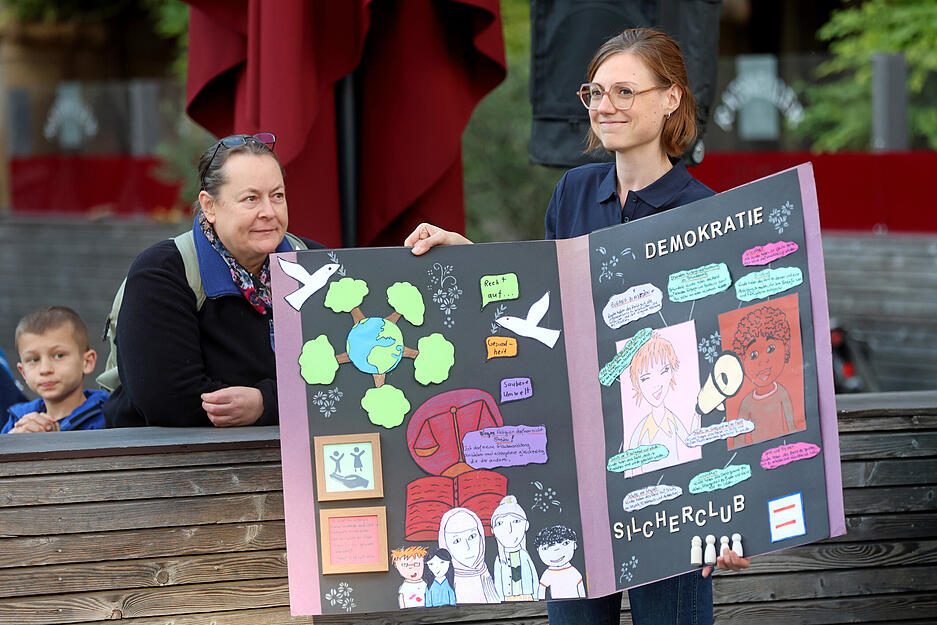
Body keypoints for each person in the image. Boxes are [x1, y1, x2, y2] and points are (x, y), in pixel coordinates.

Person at [406, 26, 749, 625]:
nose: (603, 106)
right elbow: (546, 315)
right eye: (594, 92)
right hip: (574, 466)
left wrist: (725, 510)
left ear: (671, 99)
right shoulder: (574, 190)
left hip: (666, 475)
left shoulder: (706, 214)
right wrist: (469, 261)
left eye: (623, 91)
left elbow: (722, 366)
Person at [104, 133, 323, 428]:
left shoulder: (318, 264)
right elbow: (169, 401)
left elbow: (357, 376)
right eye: (251, 199)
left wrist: (265, 402)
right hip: (171, 466)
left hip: (298, 459)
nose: (269, 212)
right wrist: (291, 399)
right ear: (209, 206)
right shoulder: (162, 273)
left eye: (277, 196)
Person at [2, 306, 107, 434]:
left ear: (87, 362)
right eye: (34, 360)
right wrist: (11, 444)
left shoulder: (108, 419)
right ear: (23, 372)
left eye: (59, 355)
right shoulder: (17, 421)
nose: (45, 369)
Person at [625, 331, 699, 475]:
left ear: (672, 372)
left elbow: (690, 441)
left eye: (664, 371)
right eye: (646, 378)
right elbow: (631, 466)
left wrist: (698, 413)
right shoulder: (641, 428)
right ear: (637, 384)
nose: (656, 385)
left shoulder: (671, 419)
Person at [730, 304, 798, 447]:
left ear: (785, 350)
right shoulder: (747, 402)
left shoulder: (782, 393)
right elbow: (739, 439)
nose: (763, 361)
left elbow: (793, 427)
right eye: (753, 355)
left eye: (770, 348)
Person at [437, 507, 500, 604]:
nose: (467, 547)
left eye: (472, 537)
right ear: (445, 545)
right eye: (457, 541)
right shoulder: (447, 585)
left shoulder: (485, 574)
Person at [491, 494, 538, 601]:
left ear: (526, 525)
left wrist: (536, 597)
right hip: (507, 600)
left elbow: (533, 577)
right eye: (500, 523)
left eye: (516, 521)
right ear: (492, 530)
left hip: (528, 598)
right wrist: (500, 600)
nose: (509, 529)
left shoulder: (524, 555)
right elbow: (497, 582)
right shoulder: (499, 560)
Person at [535, 525, 585, 600]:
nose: (556, 551)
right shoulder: (548, 573)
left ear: (575, 545)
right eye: (546, 548)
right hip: (557, 604)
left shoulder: (573, 572)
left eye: (565, 543)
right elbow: (541, 591)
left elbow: (581, 589)